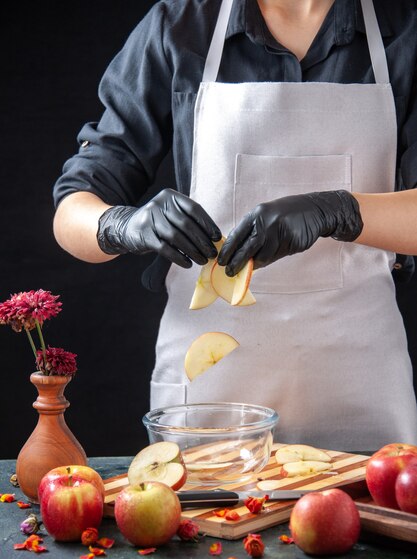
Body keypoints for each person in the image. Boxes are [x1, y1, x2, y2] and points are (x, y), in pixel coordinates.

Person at [53, 0, 417, 452]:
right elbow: (71, 210)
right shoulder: (181, 26)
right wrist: (125, 224)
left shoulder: (404, 29)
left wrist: (337, 210)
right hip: (210, 401)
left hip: (363, 397)